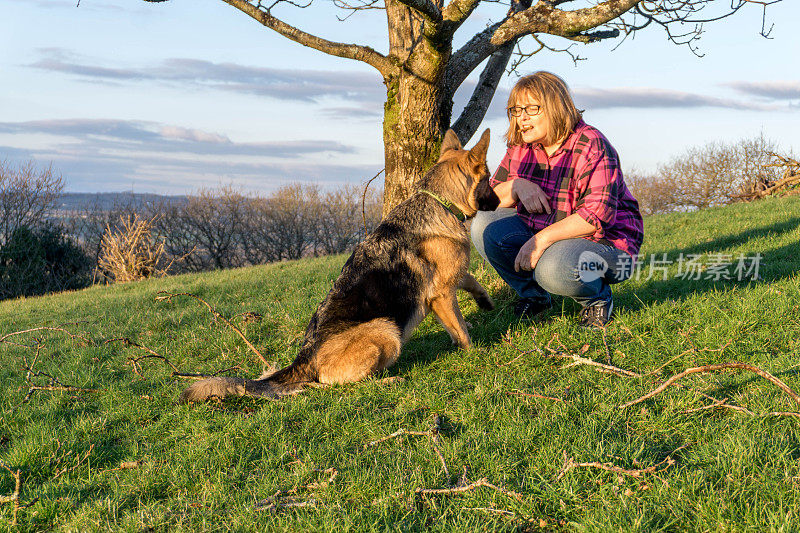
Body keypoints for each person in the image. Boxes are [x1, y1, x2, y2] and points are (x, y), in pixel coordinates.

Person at [471, 71, 643, 328]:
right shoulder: (522, 146)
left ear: (555, 106)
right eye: (515, 110)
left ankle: (597, 300)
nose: (522, 118)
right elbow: (488, 201)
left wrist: (540, 240)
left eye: (530, 109)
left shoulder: (591, 145)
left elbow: (596, 217)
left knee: (552, 269)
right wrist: (518, 185)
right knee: (484, 224)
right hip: (551, 234)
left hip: (608, 245)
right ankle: (536, 296)